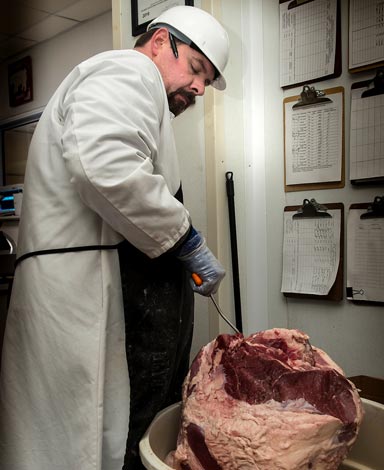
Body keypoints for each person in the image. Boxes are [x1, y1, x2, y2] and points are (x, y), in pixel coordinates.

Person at [0, 6, 229, 470]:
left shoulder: (139, 91)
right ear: (162, 41)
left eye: (206, 82)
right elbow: (104, 165)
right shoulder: (128, 69)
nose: (200, 88)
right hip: (76, 297)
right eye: (197, 69)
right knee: (76, 444)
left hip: (83, 291)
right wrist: (186, 242)